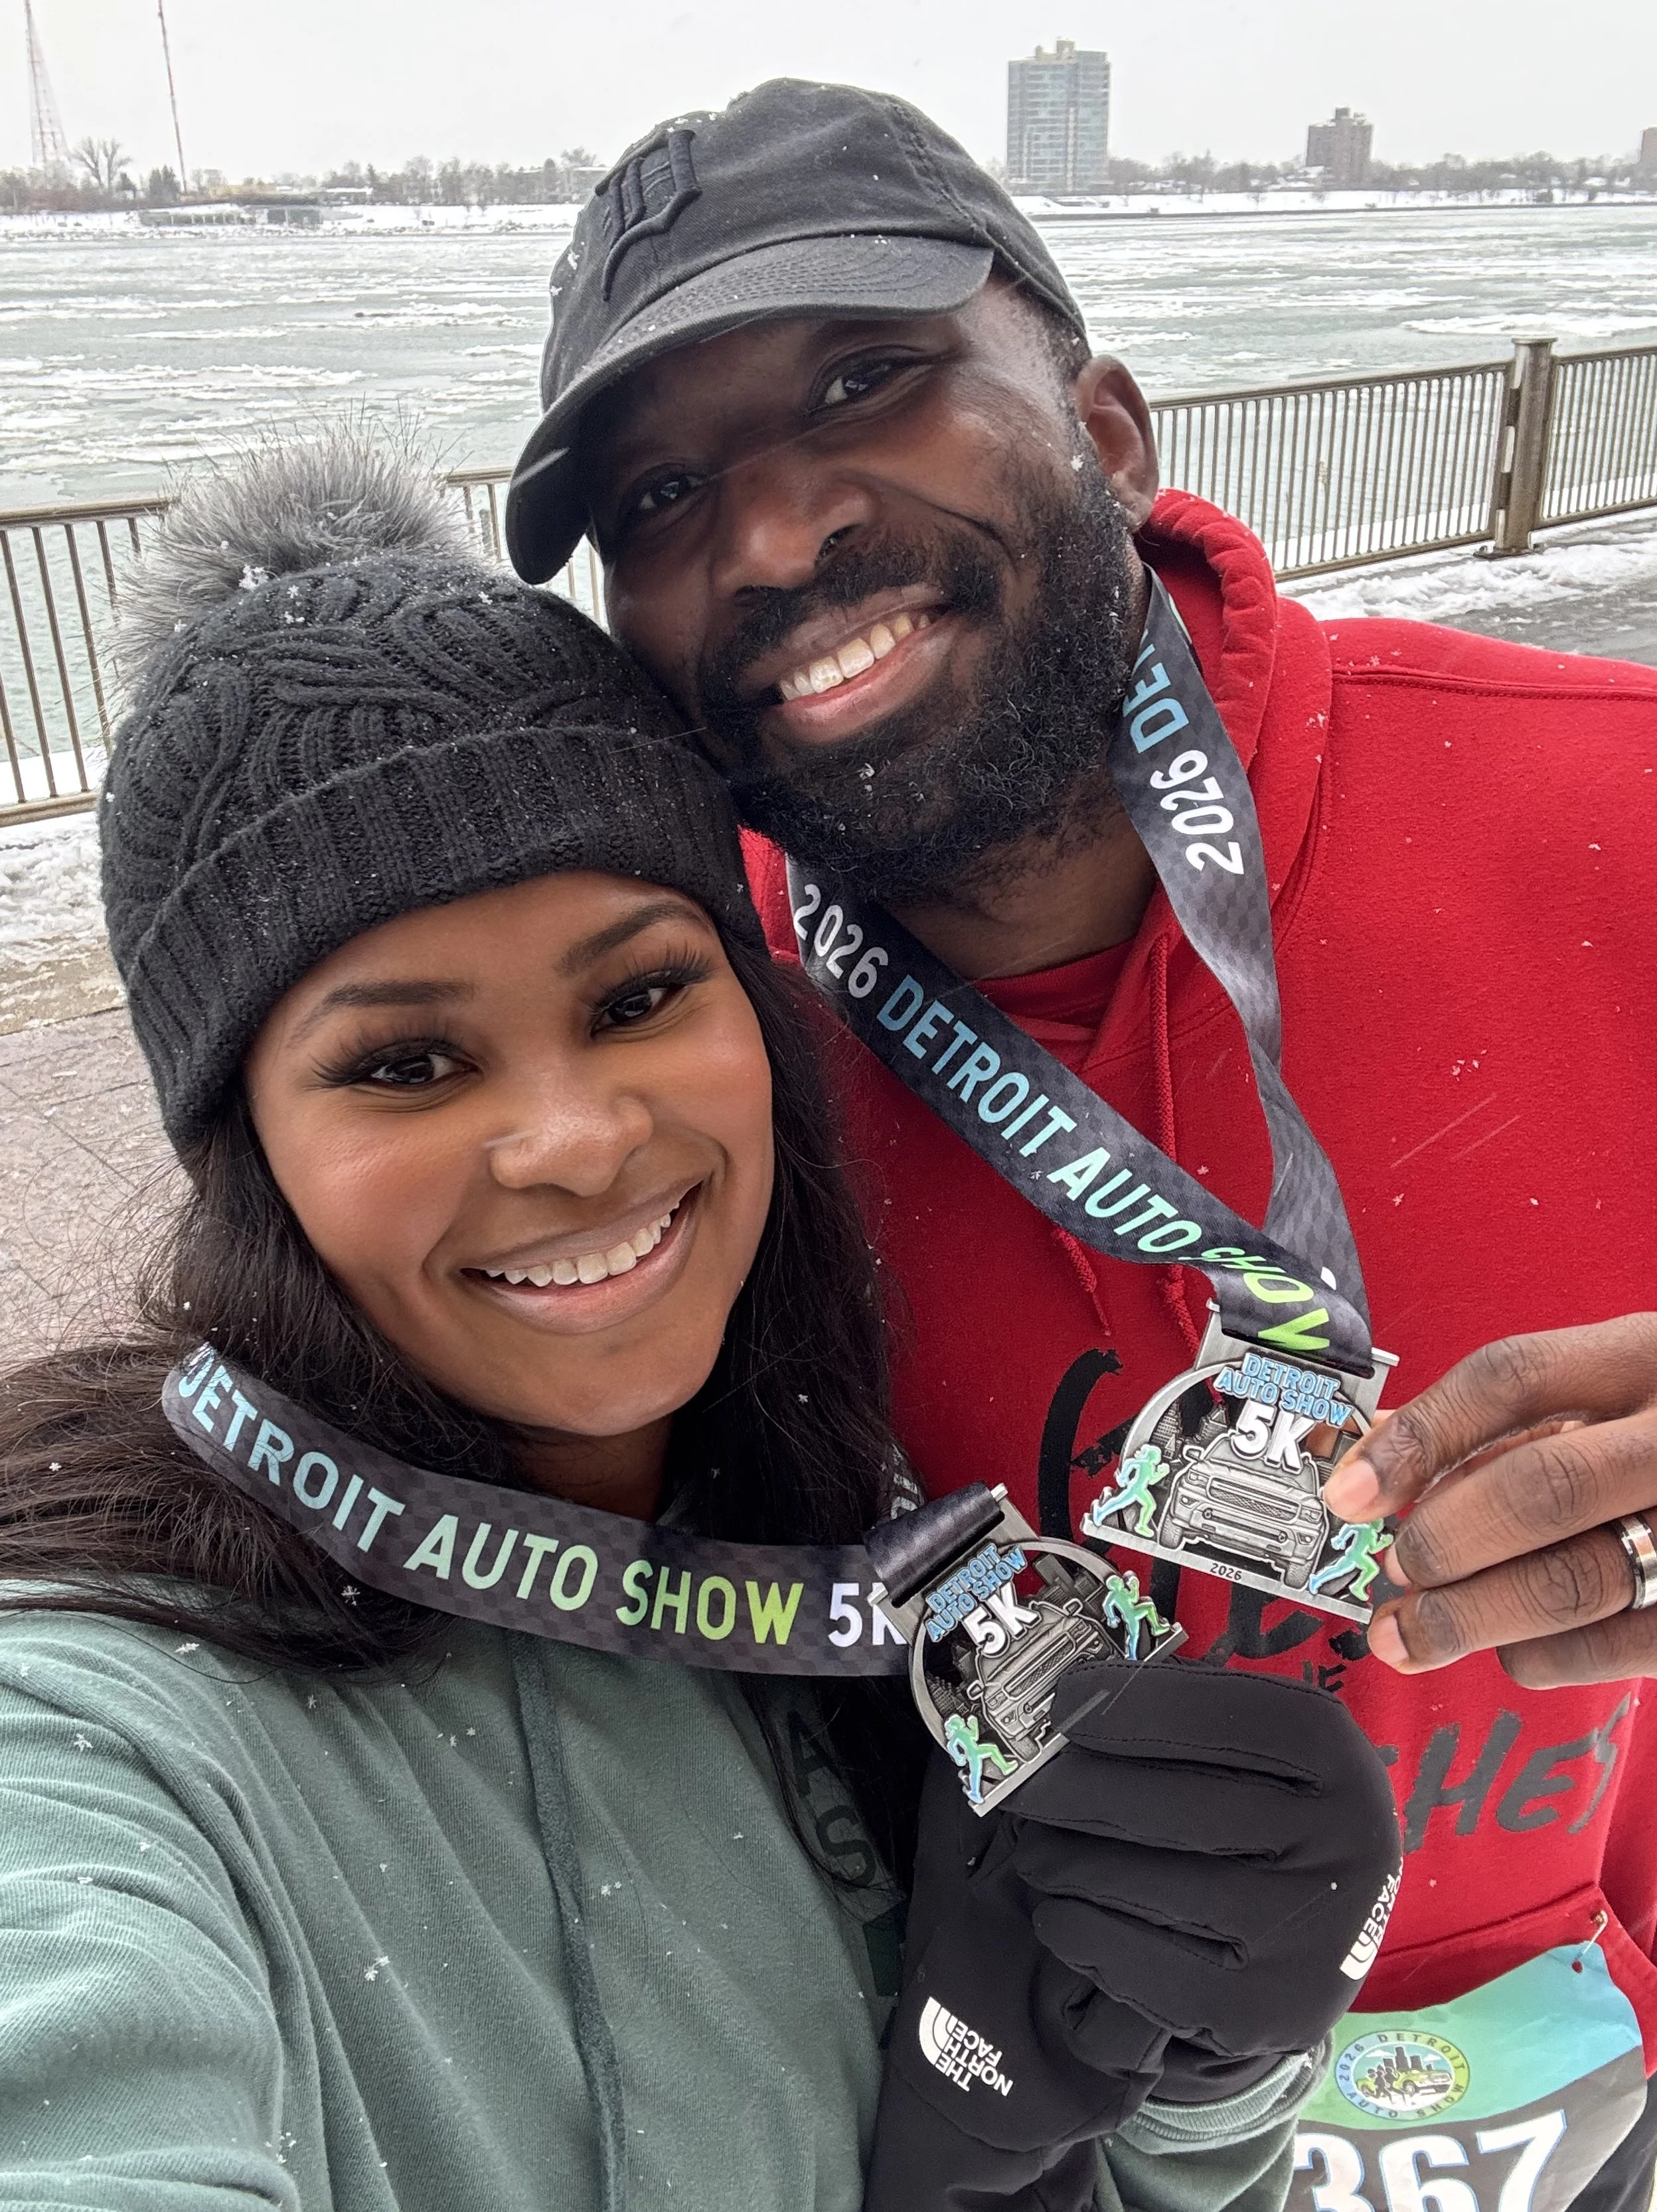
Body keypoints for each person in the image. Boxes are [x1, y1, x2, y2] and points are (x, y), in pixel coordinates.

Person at [0, 433, 1399, 2212]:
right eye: (405, 1061)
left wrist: (1196, 2066)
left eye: (640, 992)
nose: (576, 1138)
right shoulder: (99, 1722)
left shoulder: (879, 1560)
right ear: (248, 1149)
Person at [503, 76, 1657, 2212]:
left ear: (1108, 429)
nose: (767, 539)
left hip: (1563, 2089)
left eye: (866, 375)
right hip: (1008, 2134)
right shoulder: (662, 1073)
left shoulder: (1615, 814)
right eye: (659, 497)